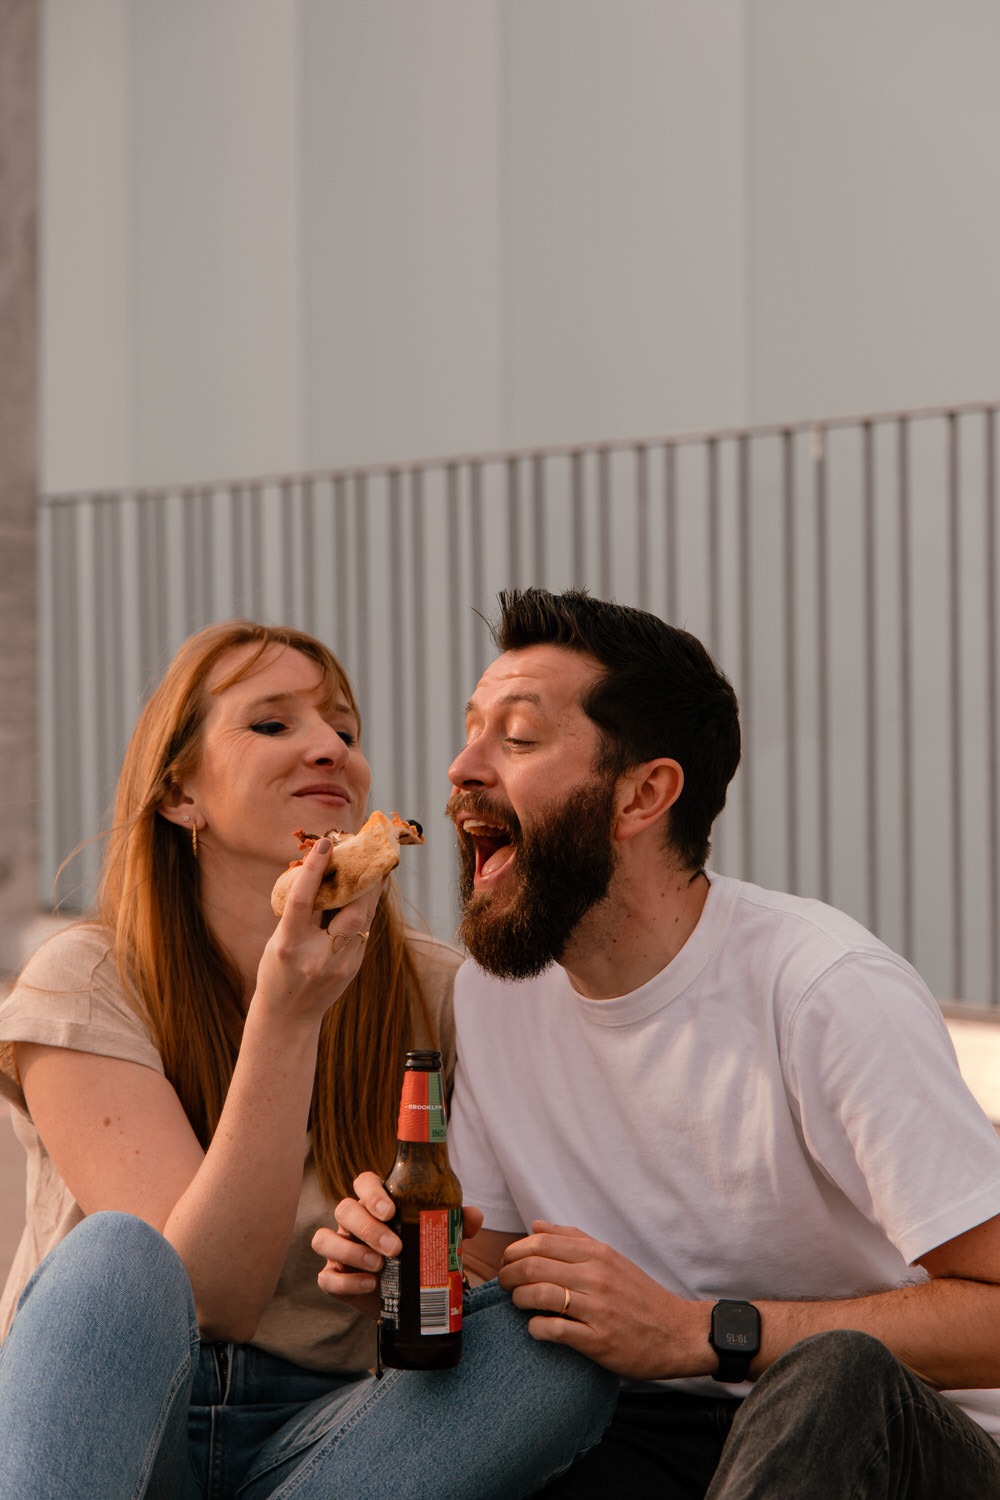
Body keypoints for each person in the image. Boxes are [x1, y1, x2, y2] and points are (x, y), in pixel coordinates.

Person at [327, 587, 1000, 1499]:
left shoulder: (821, 989)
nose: (461, 768)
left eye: (517, 740)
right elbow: (505, 1260)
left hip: (902, 1442)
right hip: (656, 1432)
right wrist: (410, 1260)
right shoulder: (493, 996)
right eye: (471, 731)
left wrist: (702, 1331)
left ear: (643, 794)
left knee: (834, 1376)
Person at [0, 619, 614, 1500]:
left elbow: (493, 1260)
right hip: (122, 1424)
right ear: (180, 793)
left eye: (345, 730)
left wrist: (407, 1272)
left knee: (549, 1350)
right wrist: (286, 1017)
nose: (329, 749)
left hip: (336, 1439)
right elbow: (208, 1296)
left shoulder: (447, 994)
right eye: (273, 724)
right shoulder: (88, 977)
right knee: (116, 1259)